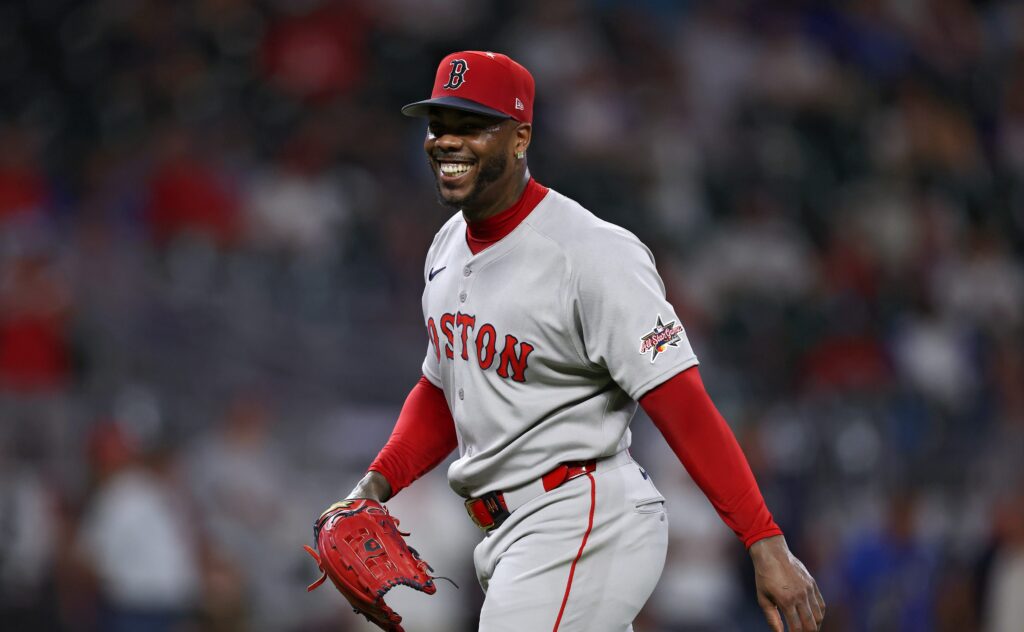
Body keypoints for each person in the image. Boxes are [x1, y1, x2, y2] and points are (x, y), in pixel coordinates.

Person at [324, 50, 825, 632]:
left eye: (472, 126)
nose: (447, 141)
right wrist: (374, 486)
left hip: (583, 520)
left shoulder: (591, 253)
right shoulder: (446, 246)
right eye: (440, 125)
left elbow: (683, 405)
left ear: (520, 138)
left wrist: (764, 540)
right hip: (509, 535)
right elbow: (442, 389)